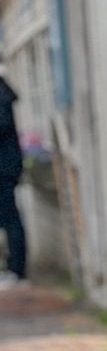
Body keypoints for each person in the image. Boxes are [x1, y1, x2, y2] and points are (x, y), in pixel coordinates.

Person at [0, 73, 26, 289]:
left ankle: (17, 270)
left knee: (10, 218)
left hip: (4, 168)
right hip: (7, 166)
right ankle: (13, 267)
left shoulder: (1, 95)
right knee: (9, 218)